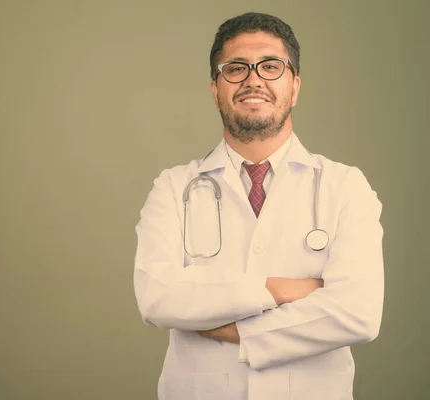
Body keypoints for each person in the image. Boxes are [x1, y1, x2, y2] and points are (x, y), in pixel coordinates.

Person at [133, 12, 384, 400]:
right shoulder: (173, 187)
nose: (253, 80)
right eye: (236, 69)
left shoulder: (344, 186)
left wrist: (237, 331)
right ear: (216, 90)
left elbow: (358, 314)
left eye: (271, 67)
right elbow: (158, 297)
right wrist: (282, 289)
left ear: (294, 87)